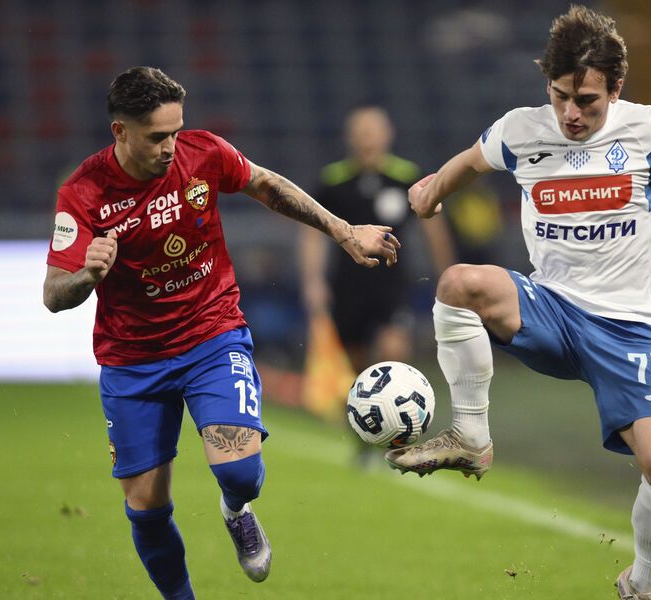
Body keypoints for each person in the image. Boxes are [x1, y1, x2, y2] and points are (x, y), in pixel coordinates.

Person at [383, 6, 651, 600]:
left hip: (631, 329)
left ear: (616, 88)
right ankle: (471, 435)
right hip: (552, 309)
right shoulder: (521, 129)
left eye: (586, 100)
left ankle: (640, 581)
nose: (570, 113)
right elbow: (469, 162)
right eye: (560, 96)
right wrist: (433, 189)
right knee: (458, 284)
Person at [43, 66, 400, 600]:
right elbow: (54, 294)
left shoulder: (202, 152)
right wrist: (87, 275)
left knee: (241, 475)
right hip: (132, 359)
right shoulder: (84, 191)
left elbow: (266, 185)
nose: (170, 146)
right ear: (120, 131)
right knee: (146, 507)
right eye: (156, 137)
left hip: (211, 336)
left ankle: (236, 511)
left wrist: (344, 232)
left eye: (175, 131)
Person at [299, 105, 454, 376]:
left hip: (392, 280)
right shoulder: (332, 181)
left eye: (372, 131)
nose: (366, 138)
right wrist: (313, 280)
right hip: (348, 282)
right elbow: (312, 234)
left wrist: (447, 275)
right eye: (360, 132)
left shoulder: (408, 177)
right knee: (352, 362)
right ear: (349, 137)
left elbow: (434, 229)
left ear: (388, 134)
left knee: (394, 350)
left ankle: (397, 398)